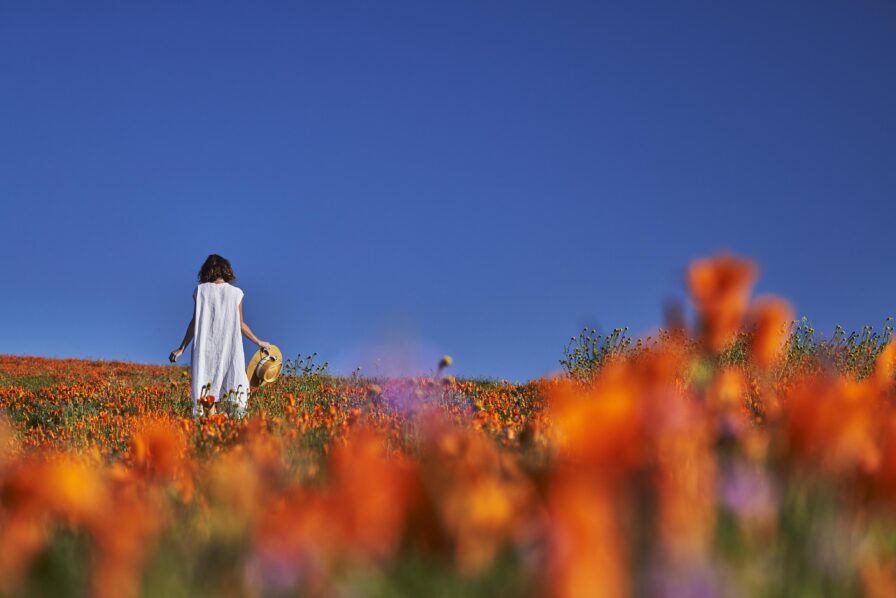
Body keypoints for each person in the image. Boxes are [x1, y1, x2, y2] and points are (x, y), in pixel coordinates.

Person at [169, 254, 271, 416]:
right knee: (233, 391)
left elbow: (195, 321)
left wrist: (182, 348)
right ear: (226, 271)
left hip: (205, 350)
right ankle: (227, 434)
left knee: (208, 395)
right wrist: (259, 342)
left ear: (206, 271)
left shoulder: (200, 290)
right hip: (229, 349)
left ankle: (210, 432)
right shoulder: (236, 293)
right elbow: (241, 324)